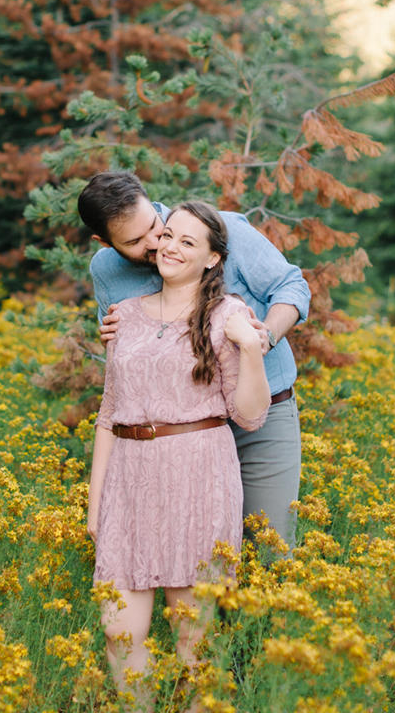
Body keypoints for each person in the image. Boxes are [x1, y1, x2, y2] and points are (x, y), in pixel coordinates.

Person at [87, 200, 270, 713]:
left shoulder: (227, 314)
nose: (171, 247)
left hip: (198, 475)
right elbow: (110, 414)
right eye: (167, 236)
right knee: (120, 632)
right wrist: (96, 506)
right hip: (131, 481)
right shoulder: (125, 314)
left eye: (189, 243)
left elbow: (249, 415)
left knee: (194, 639)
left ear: (213, 258)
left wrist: (249, 348)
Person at [77, 171, 310, 547]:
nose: (157, 243)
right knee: (195, 558)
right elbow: (124, 350)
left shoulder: (224, 228)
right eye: (135, 242)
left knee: (269, 551)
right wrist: (108, 333)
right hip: (182, 436)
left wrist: (261, 338)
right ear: (104, 242)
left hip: (261, 421)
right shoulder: (106, 270)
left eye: (155, 225)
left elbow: (293, 287)